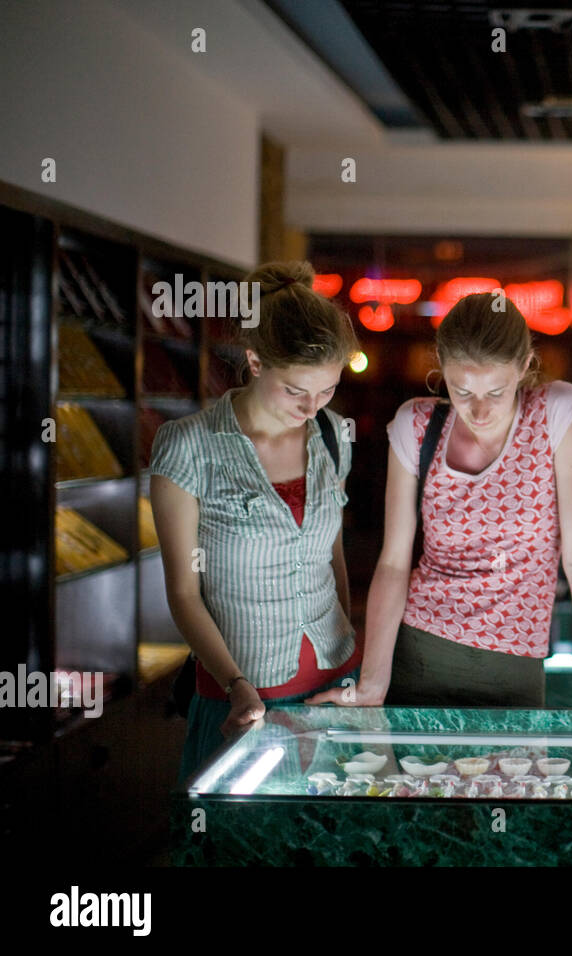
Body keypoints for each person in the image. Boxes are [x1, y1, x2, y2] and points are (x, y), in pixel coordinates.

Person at [309, 292, 572, 711]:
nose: (478, 410)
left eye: (496, 392)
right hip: (419, 653)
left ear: (525, 366)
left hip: (515, 668)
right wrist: (371, 686)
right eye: (461, 390)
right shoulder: (416, 425)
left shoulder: (558, 415)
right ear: (439, 367)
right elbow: (393, 563)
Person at [150, 261, 361, 783]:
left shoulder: (335, 434)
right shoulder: (189, 447)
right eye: (297, 391)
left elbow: (332, 552)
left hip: (337, 685)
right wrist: (234, 683)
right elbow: (183, 592)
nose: (313, 407)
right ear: (255, 362)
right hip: (244, 694)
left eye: (328, 390)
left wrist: (352, 646)